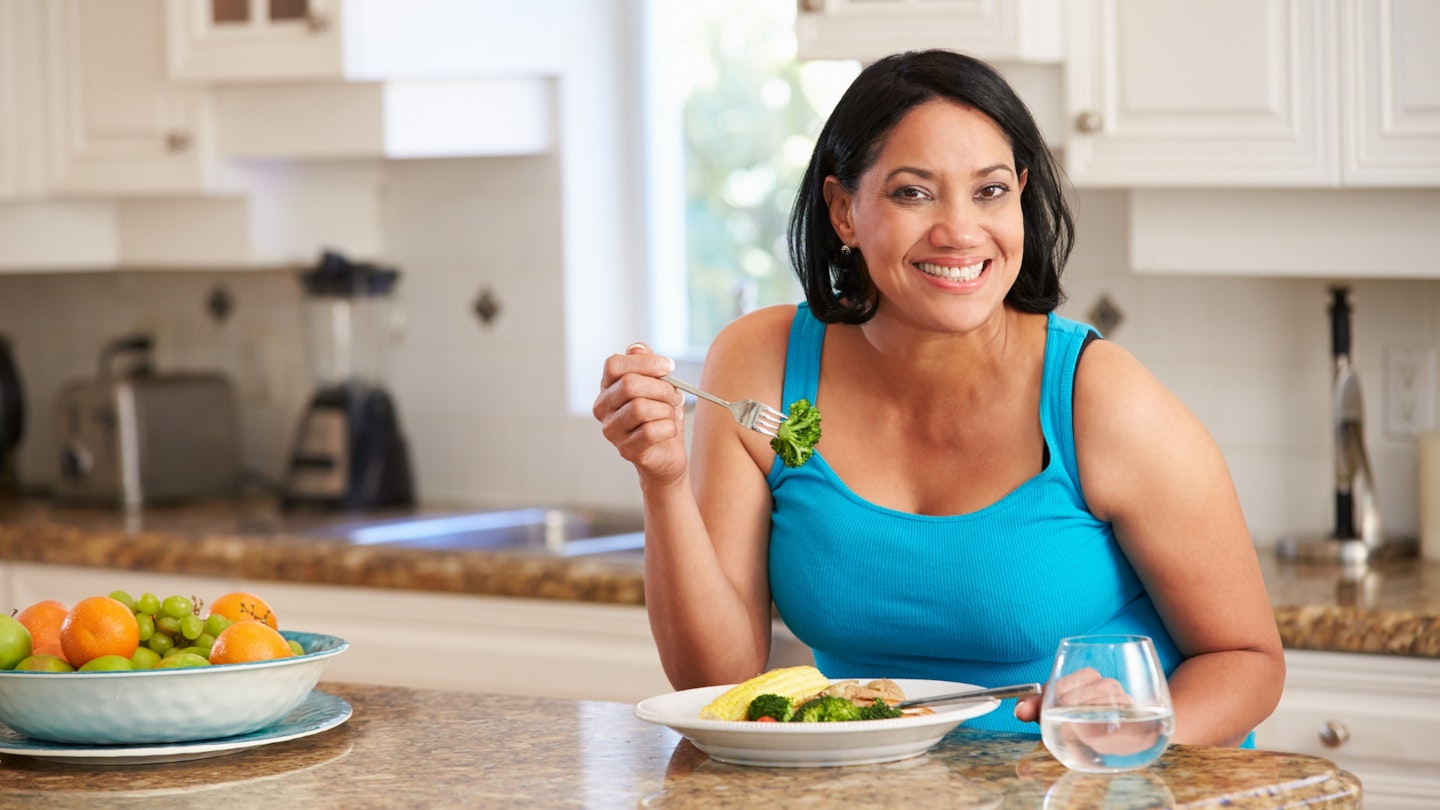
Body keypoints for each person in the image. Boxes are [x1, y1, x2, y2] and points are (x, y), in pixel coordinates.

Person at [593, 49, 1284, 745]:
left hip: (1097, 786)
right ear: (843, 211)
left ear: (1020, 194)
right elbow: (717, 676)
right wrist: (663, 478)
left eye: (989, 191)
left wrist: (1129, 735)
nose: (958, 231)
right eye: (912, 192)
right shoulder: (759, 363)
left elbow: (1248, 661)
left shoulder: (1096, 397)